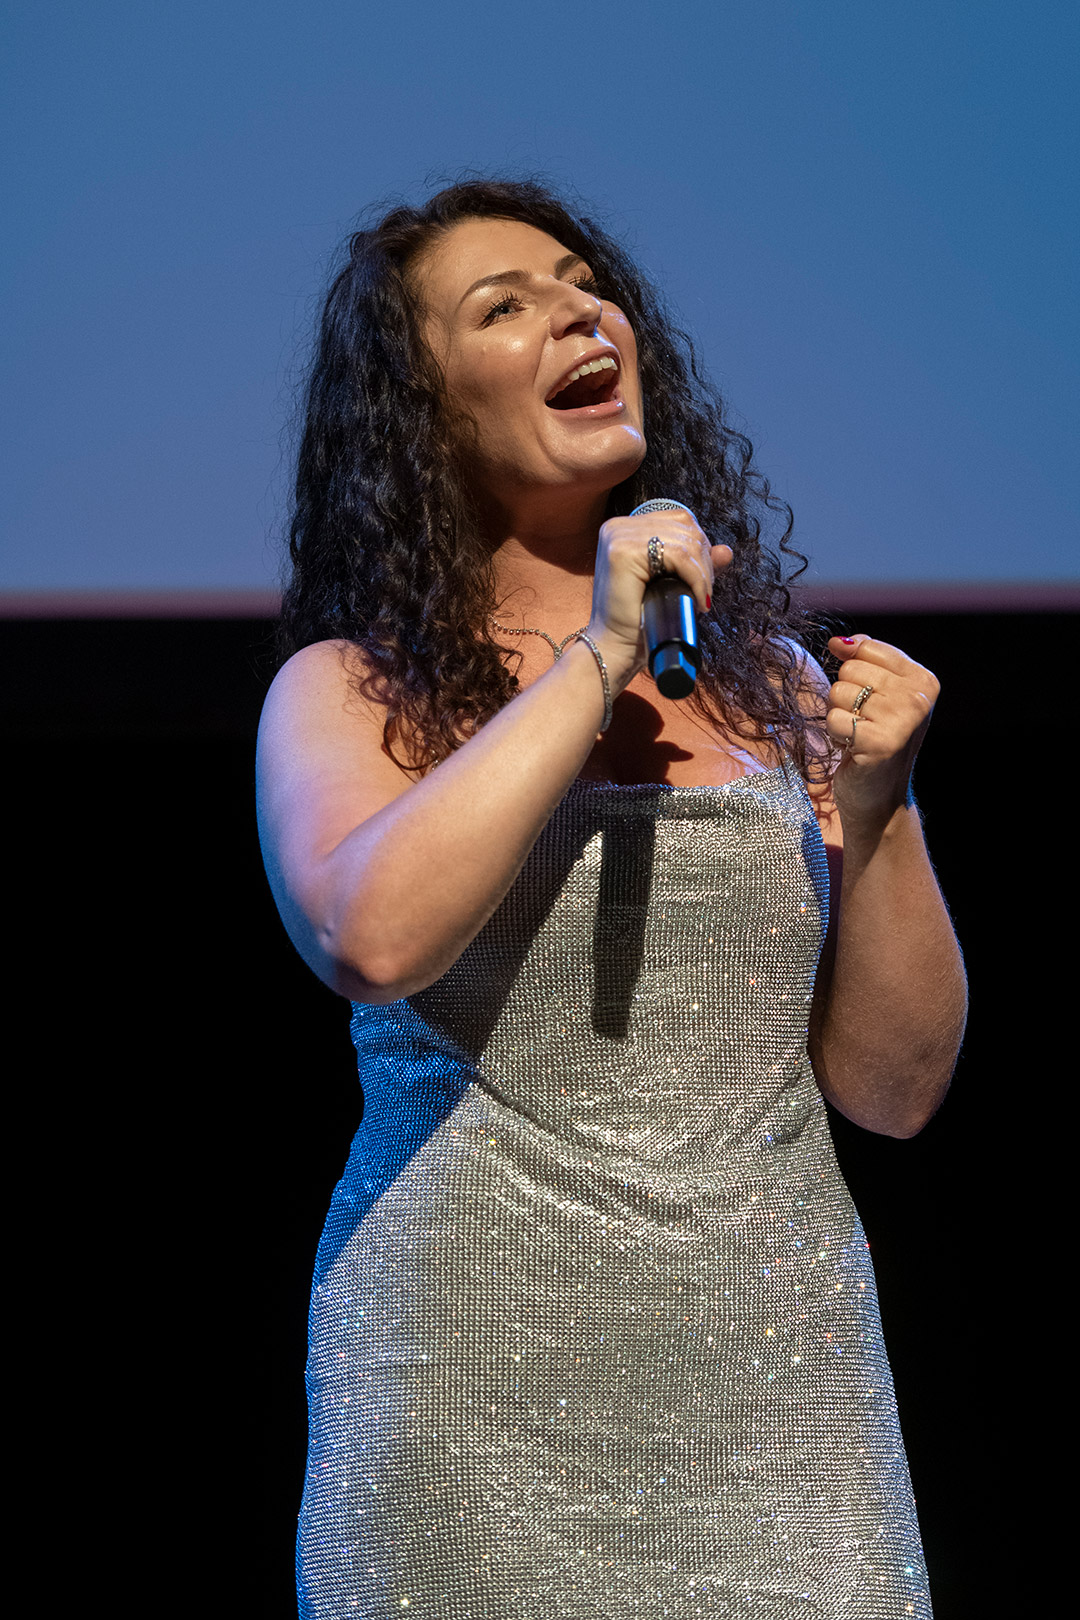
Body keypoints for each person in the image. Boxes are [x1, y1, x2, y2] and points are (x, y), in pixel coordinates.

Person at [256, 178, 966, 1619]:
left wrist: (881, 815)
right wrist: (594, 663)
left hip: (782, 1413)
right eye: (501, 307)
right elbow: (370, 934)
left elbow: (897, 1089)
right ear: (425, 412)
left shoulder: (776, 694)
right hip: (469, 1409)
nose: (580, 310)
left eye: (584, 282)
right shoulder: (350, 695)